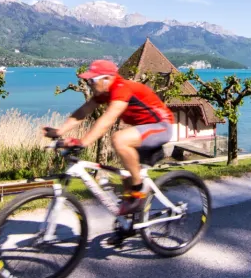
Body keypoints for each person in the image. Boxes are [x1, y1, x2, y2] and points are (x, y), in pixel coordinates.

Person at [45, 59, 174, 215]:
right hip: (142, 130)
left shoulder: (121, 88)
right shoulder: (103, 93)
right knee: (126, 175)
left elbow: (107, 119)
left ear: (106, 79)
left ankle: (138, 190)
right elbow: (82, 113)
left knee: (118, 139)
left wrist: (82, 142)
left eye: (92, 80)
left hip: (161, 126)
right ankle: (127, 226)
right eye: (88, 80)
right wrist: (60, 131)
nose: (89, 84)